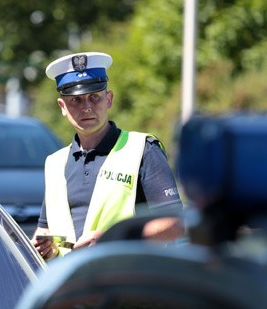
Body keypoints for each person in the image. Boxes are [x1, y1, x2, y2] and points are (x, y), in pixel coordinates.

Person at [32, 52, 184, 261]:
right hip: (72, 288)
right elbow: (46, 230)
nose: (86, 107)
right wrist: (44, 245)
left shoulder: (143, 149)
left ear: (109, 99)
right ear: (62, 107)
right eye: (76, 100)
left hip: (128, 286)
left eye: (94, 96)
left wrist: (114, 240)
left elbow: (175, 224)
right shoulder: (55, 163)